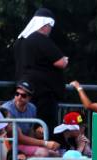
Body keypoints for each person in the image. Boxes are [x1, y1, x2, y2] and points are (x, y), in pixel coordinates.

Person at [13, 8, 68, 136]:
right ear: (45, 25)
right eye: (50, 26)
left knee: (27, 124)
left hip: (23, 90)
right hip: (43, 92)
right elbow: (60, 62)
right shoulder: (40, 39)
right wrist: (65, 59)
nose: (50, 30)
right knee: (45, 125)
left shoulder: (20, 41)